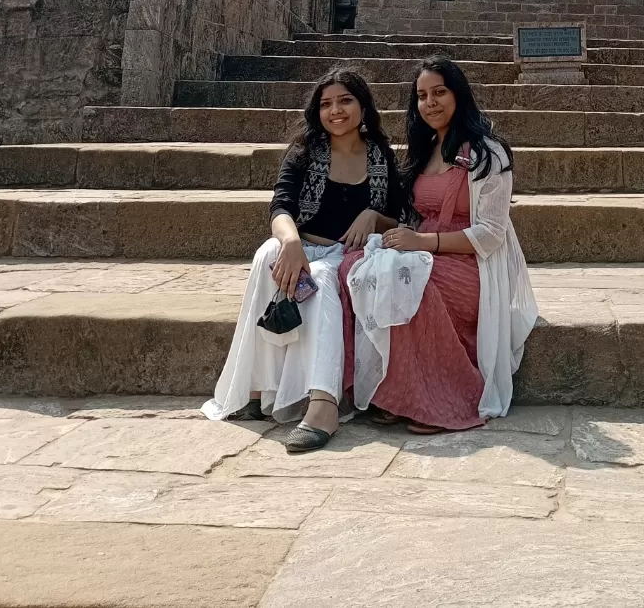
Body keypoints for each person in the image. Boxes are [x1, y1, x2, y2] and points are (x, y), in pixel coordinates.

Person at [202, 67, 403, 452]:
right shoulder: (305, 152)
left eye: (345, 100)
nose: (336, 110)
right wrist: (292, 243)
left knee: (325, 279)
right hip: (301, 244)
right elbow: (281, 205)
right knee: (267, 254)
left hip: (347, 256)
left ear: (363, 106)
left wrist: (372, 216)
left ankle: (323, 402)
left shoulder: (381, 156)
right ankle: (261, 388)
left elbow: (398, 215)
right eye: (326, 103)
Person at [339, 56, 538, 433]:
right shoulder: (425, 149)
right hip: (423, 252)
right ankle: (394, 391)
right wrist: (382, 225)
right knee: (354, 266)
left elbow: (491, 233)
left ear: (458, 95)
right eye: (422, 95)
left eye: (439, 93)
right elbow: (413, 218)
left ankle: (444, 398)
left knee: (408, 280)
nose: (430, 102)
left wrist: (422, 243)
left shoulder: (487, 154)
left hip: (473, 265)